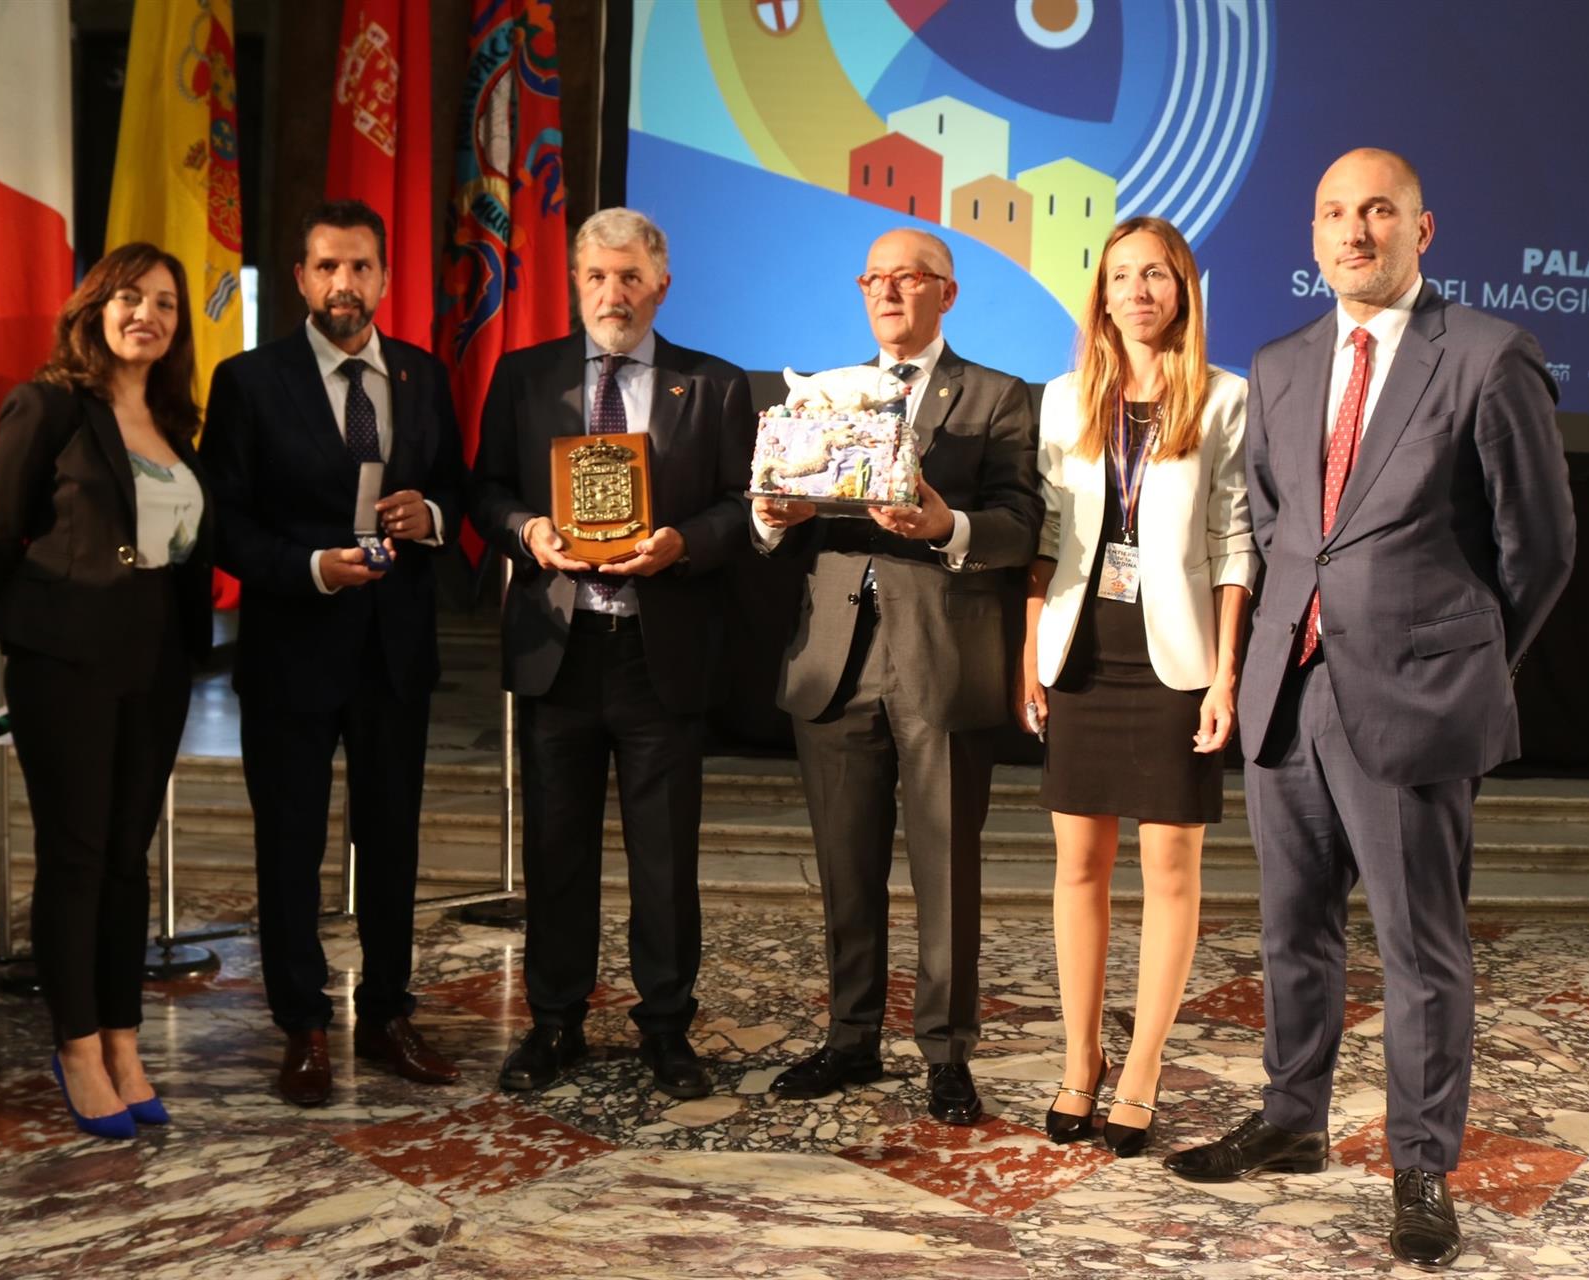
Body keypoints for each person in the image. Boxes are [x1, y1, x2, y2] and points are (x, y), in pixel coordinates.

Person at [1162, 149, 1575, 1270]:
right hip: (1286, 695)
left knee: (1418, 947)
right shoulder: (1281, 361)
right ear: (1314, 236)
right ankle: (1292, 1118)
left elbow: (1538, 548)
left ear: (1421, 230)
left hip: (1415, 697)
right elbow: (1284, 520)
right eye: (1335, 214)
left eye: (1378, 210)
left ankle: (1421, 1161)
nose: (1356, 231)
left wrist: (1466, 661)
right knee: (1293, 932)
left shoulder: (1487, 356)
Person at [754, 229, 1043, 1126]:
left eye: (906, 278)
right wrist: (771, 515)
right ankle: (849, 1038)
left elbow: (1022, 522)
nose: (886, 292)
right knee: (846, 865)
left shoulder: (998, 397)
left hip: (942, 655)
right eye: (872, 278)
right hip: (835, 657)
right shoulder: (825, 395)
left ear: (946, 294)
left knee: (946, 868)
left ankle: (948, 1052)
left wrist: (947, 526)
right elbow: (777, 511)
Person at [473, 207, 756, 1100]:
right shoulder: (526, 378)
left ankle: (666, 1030)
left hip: (657, 649)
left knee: (664, 860)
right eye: (597, 276)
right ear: (575, 283)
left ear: (661, 285)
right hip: (560, 648)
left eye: (630, 277)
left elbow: (743, 504)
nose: (613, 293)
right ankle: (554, 1023)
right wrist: (527, 529)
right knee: (556, 853)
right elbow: (483, 489)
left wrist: (682, 542)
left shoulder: (710, 386)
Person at [201, 200, 469, 1107]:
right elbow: (224, 524)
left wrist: (427, 515)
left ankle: (390, 1014)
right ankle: (304, 1026)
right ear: (301, 278)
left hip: (395, 653)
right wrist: (312, 567)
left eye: (359, 267)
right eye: (325, 268)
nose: (342, 285)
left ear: (385, 278)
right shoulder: (249, 381)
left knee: (392, 842)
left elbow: (459, 491)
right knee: (290, 845)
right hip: (292, 648)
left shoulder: (424, 377)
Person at [1018, 217, 1255, 1157]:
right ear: (1101, 296)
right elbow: (1042, 545)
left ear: (1182, 289)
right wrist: (1028, 656)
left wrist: (1225, 674)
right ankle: (1079, 1065)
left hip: (1174, 663)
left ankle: (1143, 1068)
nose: (1139, 291)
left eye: (1155, 275)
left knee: (1170, 875)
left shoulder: (1226, 399)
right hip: (1081, 656)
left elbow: (1234, 543)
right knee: (1077, 867)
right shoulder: (1062, 399)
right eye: (1121, 276)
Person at [0, 243, 214, 1139]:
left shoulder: (176, 425)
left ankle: (124, 1038)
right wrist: (36, 641)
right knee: (76, 860)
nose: (145, 313)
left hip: (154, 667)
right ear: (93, 307)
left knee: (126, 860)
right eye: (127, 297)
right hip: (65, 667)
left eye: (164, 301)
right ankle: (76, 1046)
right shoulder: (46, 406)